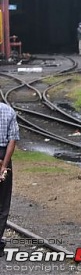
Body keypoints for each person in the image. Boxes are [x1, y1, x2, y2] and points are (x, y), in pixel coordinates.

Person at [0, 101, 19, 254]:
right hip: (3, 155)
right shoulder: (9, 111)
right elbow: (12, 141)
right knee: (3, 202)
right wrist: (4, 166)